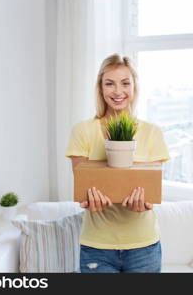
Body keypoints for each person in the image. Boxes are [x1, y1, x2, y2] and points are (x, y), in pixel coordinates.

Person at [65, 53, 170, 273]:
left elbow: (153, 193)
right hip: (97, 246)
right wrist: (90, 201)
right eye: (109, 83)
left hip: (144, 246)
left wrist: (144, 203)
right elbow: (82, 189)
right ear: (100, 88)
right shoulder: (82, 131)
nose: (118, 91)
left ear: (134, 87)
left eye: (125, 83)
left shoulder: (153, 133)